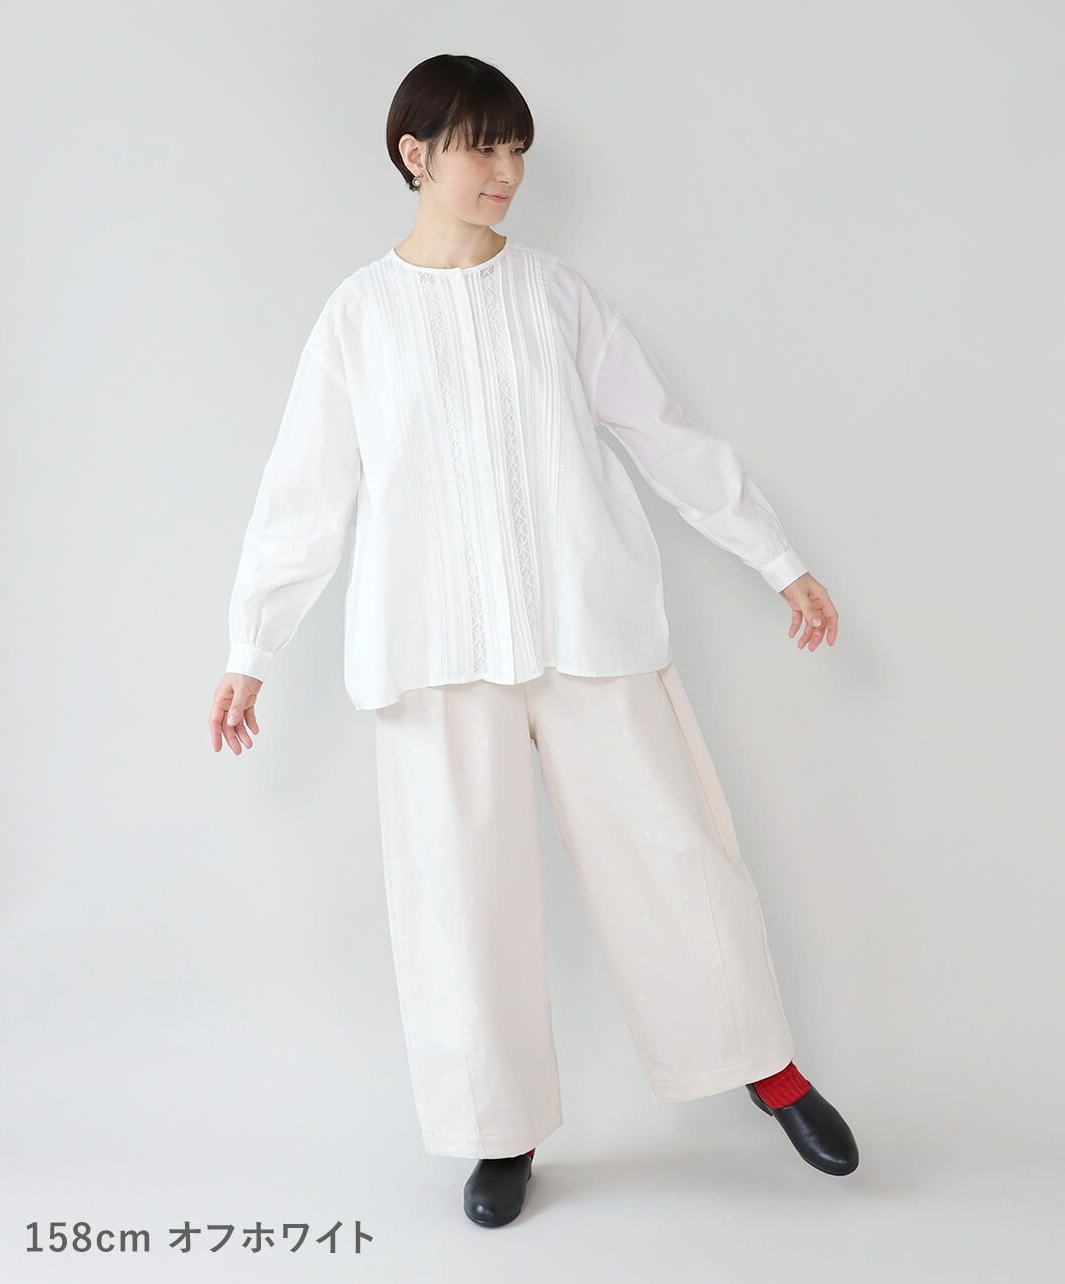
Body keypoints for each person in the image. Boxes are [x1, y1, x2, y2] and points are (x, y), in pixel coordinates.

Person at [208, 53, 856, 1228]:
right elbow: (302, 497)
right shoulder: (358, 318)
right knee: (459, 898)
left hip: (583, 622)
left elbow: (661, 436)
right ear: (415, 154)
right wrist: (250, 649)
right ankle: (496, 1131)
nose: (505, 169)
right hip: (431, 647)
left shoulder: (557, 296)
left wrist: (775, 557)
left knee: (673, 852)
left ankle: (764, 1067)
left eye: (515, 148)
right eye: (480, 145)